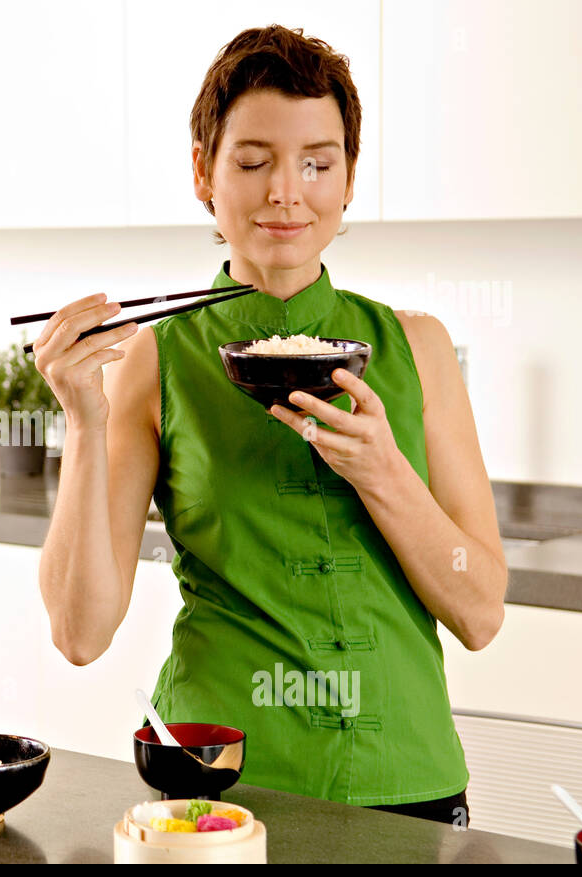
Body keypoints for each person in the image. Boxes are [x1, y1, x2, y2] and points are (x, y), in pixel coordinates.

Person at [34, 25, 507, 826]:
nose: (287, 192)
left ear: (350, 178)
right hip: (218, 783)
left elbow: (481, 611)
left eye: (317, 163)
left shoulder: (416, 348)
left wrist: (385, 472)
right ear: (203, 173)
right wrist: (84, 421)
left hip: (408, 778)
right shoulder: (156, 356)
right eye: (252, 163)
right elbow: (81, 632)